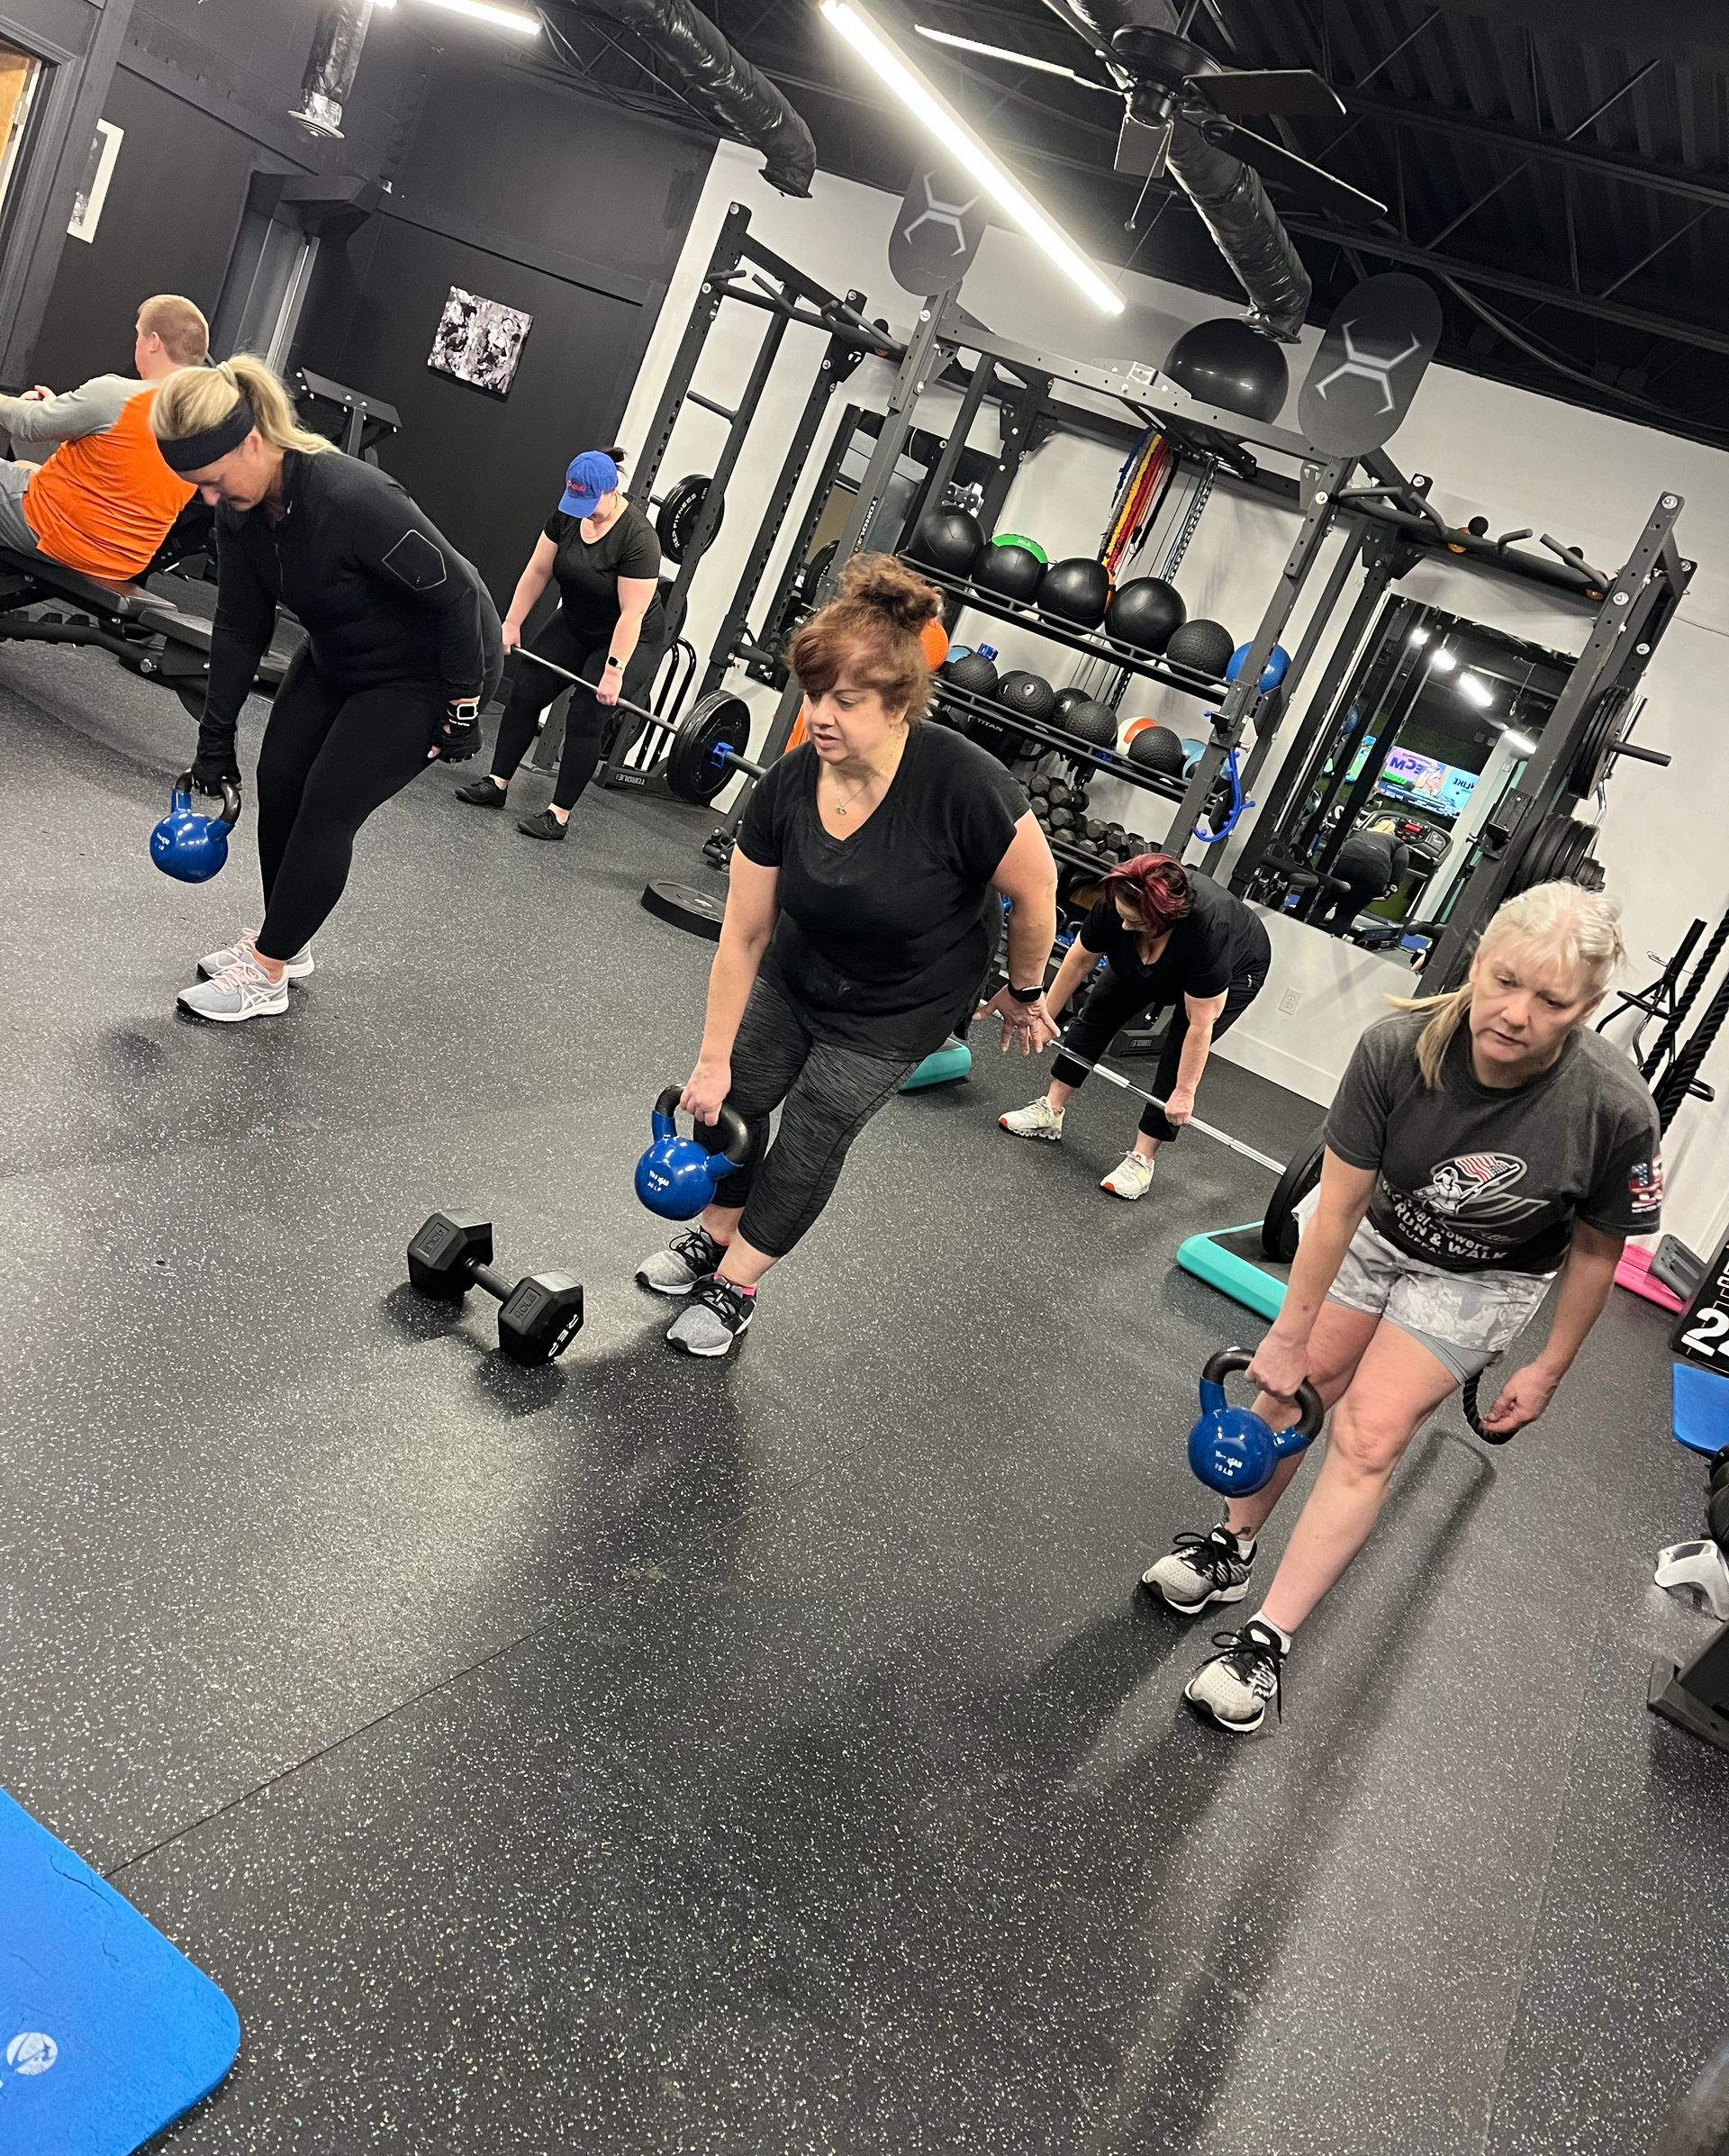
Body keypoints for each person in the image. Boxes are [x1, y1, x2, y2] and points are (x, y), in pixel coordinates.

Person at [1141, 882, 1661, 1734]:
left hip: (1487, 1278)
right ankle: (1229, 1550)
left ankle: (1267, 1641)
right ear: (1480, 956)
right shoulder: (1397, 1048)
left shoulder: (1613, 1109)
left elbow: (1600, 1250)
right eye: (1504, 980)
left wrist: (1549, 1367)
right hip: (1380, 1234)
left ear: (1591, 1005)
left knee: (1371, 1432)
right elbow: (1338, 1208)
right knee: (1291, 1390)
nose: (1516, 1013)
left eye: (1552, 1000)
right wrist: (1286, 1333)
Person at [637, 553, 1059, 1356]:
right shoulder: (791, 782)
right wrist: (711, 1058)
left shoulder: (963, 785)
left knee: (813, 1132)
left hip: (900, 1003)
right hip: (801, 970)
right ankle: (715, 1234)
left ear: (899, 703)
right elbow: (745, 933)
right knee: (732, 1104)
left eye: (846, 701)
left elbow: (1036, 889)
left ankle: (737, 1285)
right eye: (813, 695)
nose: (820, 715)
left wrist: (1025, 989)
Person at [152, 355, 502, 1024]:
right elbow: (238, 626)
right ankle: (286, 938)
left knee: (326, 806)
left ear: (252, 442)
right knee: (278, 776)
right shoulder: (241, 509)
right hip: (340, 650)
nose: (209, 498)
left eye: (215, 480)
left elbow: (457, 599)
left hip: (429, 671)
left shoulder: (354, 499)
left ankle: (267, 972)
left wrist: (461, 707)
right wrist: (214, 741)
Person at [998, 852, 1271, 1198]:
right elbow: (1080, 958)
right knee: (1100, 1007)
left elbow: (1198, 1026)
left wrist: (1184, 1093)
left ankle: (1142, 1159)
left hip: (1238, 966)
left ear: (1164, 918)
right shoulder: (1119, 902)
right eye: (1122, 918)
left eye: (1135, 922)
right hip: (1161, 943)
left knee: (1176, 1054)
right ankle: (1050, 1109)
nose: (1124, 926)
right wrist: (1043, 1014)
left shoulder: (1208, 930)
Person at [455, 448, 665, 839]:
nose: (582, 509)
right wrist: (512, 622)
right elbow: (538, 569)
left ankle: (558, 815)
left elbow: (631, 615)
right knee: (527, 689)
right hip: (575, 621)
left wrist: (615, 670)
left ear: (612, 490)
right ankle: (497, 782)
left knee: (586, 715)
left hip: (627, 636)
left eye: (589, 502)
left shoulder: (638, 539)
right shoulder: (568, 515)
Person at [0, 294, 209, 583]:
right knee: (25, 467)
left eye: (138, 335)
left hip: (61, 535)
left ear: (153, 342)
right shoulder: (208, 421)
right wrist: (66, 411)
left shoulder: (117, 394)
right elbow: (122, 461)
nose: (136, 343)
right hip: (125, 560)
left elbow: (29, 424)